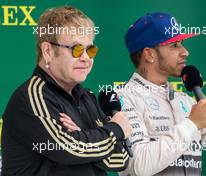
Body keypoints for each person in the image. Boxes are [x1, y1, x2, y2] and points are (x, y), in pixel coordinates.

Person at [116, 12, 206, 176]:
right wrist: (192, 124)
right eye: (175, 45)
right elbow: (138, 164)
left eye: (181, 44)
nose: (185, 52)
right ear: (149, 54)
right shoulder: (123, 99)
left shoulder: (185, 101)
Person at [1, 6, 132, 176]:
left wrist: (82, 136)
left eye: (90, 50)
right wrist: (115, 129)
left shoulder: (88, 97)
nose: (85, 58)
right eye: (76, 49)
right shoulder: (32, 96)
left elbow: (120, 158)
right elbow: (67, 149)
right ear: (47, 51)